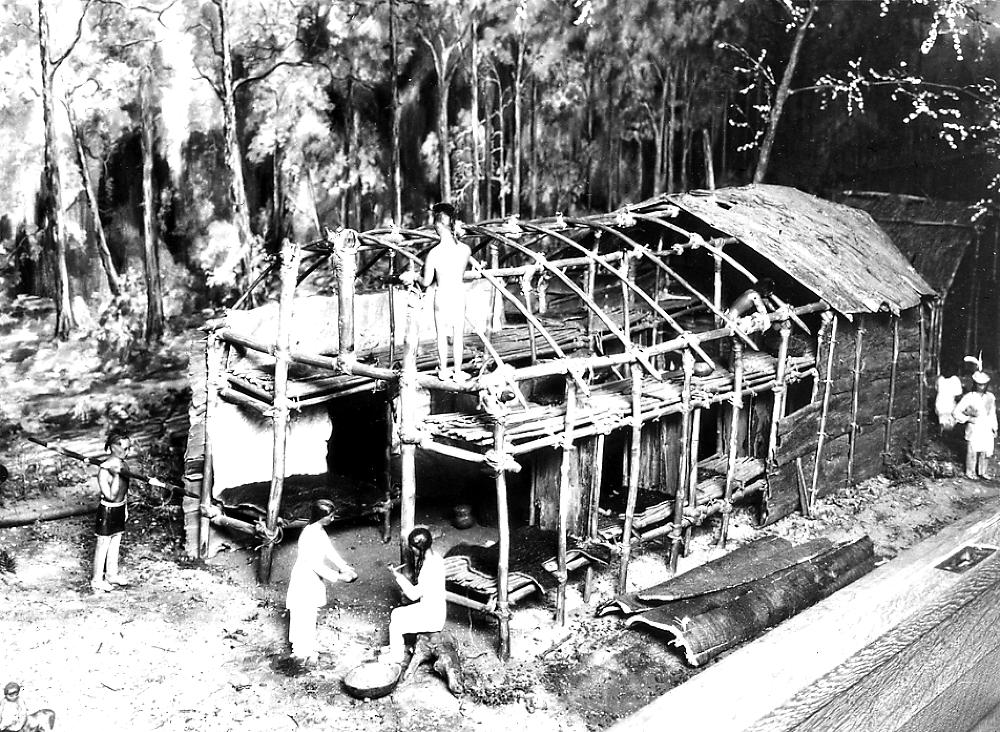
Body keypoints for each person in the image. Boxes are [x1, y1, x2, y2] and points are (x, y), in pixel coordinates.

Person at [285, 499, 358, 664]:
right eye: (330, 516)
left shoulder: (319, 531)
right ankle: (300, 652)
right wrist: (339, 576)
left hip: (313, 578)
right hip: (304, 578)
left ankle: (306, 648)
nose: (333, 519)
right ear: (322, 516)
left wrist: (344, 567)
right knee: (303, 614)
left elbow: (329, 551)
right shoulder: (308, 534)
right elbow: (315, 564)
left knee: (309, 614)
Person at [421, 202, 472, 381]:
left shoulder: (434, 254)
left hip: (442, 295)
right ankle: (458, 372)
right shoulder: (465, 250)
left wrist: (414, 276)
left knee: (441, 335)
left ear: (438, 226)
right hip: (458, 293)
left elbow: (426, 282)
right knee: (458, 335)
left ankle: (443, 370)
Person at [383, 527, 447, 664]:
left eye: (413, 548)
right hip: (435, 608)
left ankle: (396, 657)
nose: (413, 551)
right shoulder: (437, 558)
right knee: (396, 613)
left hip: (432, 616)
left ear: (419, 549)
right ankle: (396, 647)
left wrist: (398, 576)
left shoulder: (429, 568)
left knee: (396, 625)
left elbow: (413, 595)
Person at [91, 430, 132, 592]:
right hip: (108, 510)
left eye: (129, 448)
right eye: (124, 449)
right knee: (103, 545)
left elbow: (124, 491)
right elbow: (110, 496)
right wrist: (115, 475)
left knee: (116, 542)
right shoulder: (104, 470)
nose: (127, 452)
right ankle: (96, 579)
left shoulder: (124, 465)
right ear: (113, 448)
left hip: (120, 509)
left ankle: (111, 574)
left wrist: (125, 507)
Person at [953, 370, 997, 480]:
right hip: (975, 426)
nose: (981, 386)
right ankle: (970, 471)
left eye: (983, 384)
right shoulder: (969, 397)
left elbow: (992, 413)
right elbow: (956, 412)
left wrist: (994, 427)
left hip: (986, 426)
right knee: (973, 449)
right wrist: (967, 418)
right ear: (975, 384)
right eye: (979, 384)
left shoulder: (990, 397)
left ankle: (983, 471)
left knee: (986, 450)